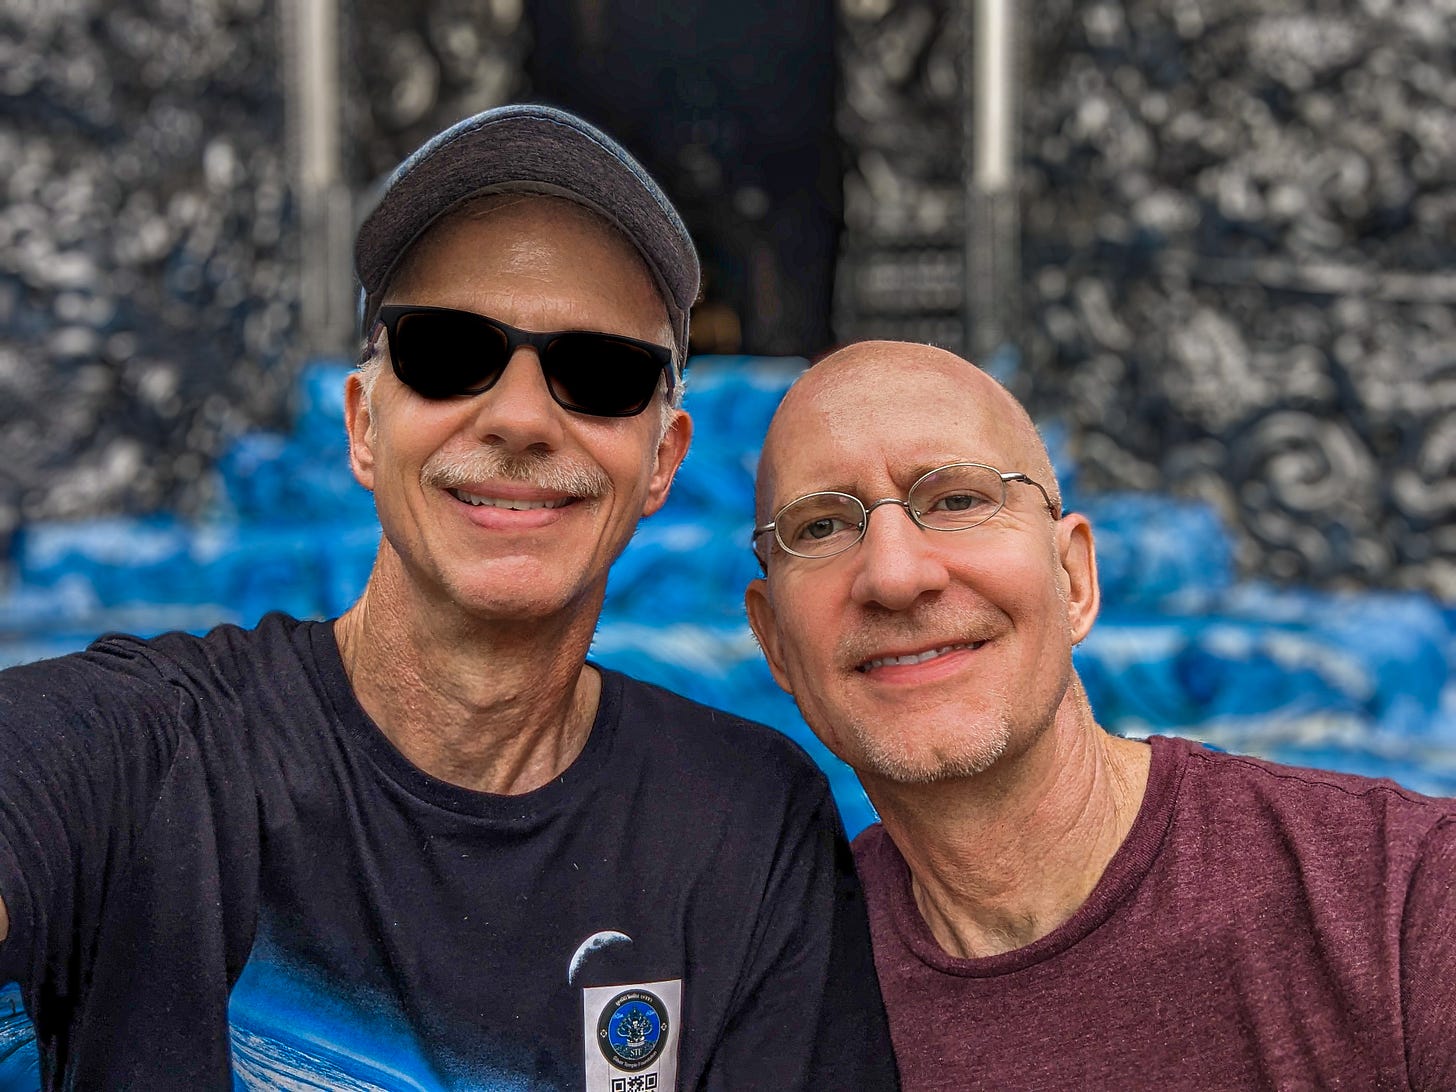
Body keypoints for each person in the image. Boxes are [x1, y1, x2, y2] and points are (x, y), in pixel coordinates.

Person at [0, 105, 897, 1090]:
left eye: (597, 373)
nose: (518, 418)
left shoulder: (749, 828)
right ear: (362, 426)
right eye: (445, 352)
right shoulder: (145, 755)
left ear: (662, 461)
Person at [744, 339, 1456, 1090]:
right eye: (819, 526)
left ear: (1074, 577)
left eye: (956, 499)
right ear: (775, 643)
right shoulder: (770, 991)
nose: (894, 574)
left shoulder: (1401, 902)